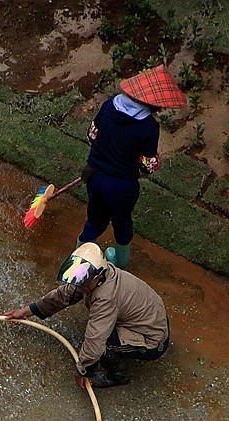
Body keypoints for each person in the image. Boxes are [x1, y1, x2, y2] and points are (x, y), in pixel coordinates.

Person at [4, 242, 169, 388]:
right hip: (150, 319)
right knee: (98, 335)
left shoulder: (106, 297)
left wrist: (84, 370)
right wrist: (27, 311)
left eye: (82, 280)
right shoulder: (97, 276)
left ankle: (118, 375)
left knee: (102, 344)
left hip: (152, 339)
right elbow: (63, 295)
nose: (78, 283)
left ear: (97, 277)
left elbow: (95, 339)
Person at [77, 64, 187, 268]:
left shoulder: (109, 106)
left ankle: (79, 258)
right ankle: (119, 262)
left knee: (95, 219)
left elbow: (92, 135)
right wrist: (154, 162)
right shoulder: (149, 127)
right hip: (122, 187)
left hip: (95, 176)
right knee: (122, 224)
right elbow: (147, 165)